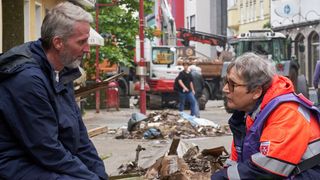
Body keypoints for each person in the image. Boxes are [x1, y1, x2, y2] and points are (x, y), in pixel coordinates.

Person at [0, 2, 108, 180]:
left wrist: (99, 174)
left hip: (44, 160)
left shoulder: (62, 71)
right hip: (15, 164)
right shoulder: (27, 80)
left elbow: (81, 139)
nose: (87, 48)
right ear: (58, 42)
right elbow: (45, 148)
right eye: (81, 42)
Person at [212, 53, 320, 179]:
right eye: (226, 82)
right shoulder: (248, 115)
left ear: (256, 92)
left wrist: (220, 178)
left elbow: (267, 170)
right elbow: (237, 160)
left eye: (232, 84)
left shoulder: (287, 112)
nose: (225, 89)